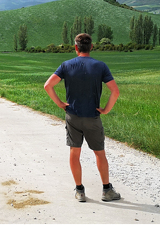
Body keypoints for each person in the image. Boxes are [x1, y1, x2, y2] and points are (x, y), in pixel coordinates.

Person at [44, 33, 121, 202]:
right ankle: (107, 190)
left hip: (73, 116)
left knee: (74, 152)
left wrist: (60, 104)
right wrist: (106, 110)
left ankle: (80, 191)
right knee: (99, 153)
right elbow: (115, 91)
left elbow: (48, 85)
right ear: (91, 47)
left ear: (76, 47)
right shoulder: (100, 66)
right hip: (93, 117)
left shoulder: (66, 65)